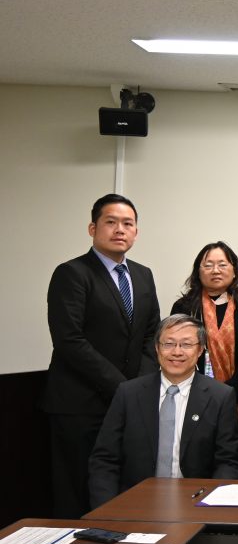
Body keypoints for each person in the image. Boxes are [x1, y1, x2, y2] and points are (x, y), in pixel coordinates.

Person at [44, 193, 161, 518]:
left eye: (128, 223)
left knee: (123, 489)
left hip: (128, 402)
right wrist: (122, 387)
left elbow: (152, 334)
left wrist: (137, 387)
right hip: (79, 404)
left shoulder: (143, 274)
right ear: (93, 228)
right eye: (111, 222)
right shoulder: (72, 273)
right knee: (78, 492)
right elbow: (69, 340)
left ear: (136, 231)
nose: (120, 229)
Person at [88, 315, 238, 508]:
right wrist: (108, 509)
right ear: (157, 348)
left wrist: (210, 506)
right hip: (134, 504)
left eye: (186, 344)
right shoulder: (128, 393)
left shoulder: (220, 397)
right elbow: (104, 459)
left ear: (200, 350)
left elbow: (229, 462)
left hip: (195, 504)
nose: (176, 352)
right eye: (168, 344)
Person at [170, 241, 238, 424]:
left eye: (222, 265)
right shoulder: (184, 307)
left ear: (234, 271)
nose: (215, 270)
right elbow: (176, 352)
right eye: (208, 265)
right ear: (198, 272)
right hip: (194, 394)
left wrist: (231, 392)